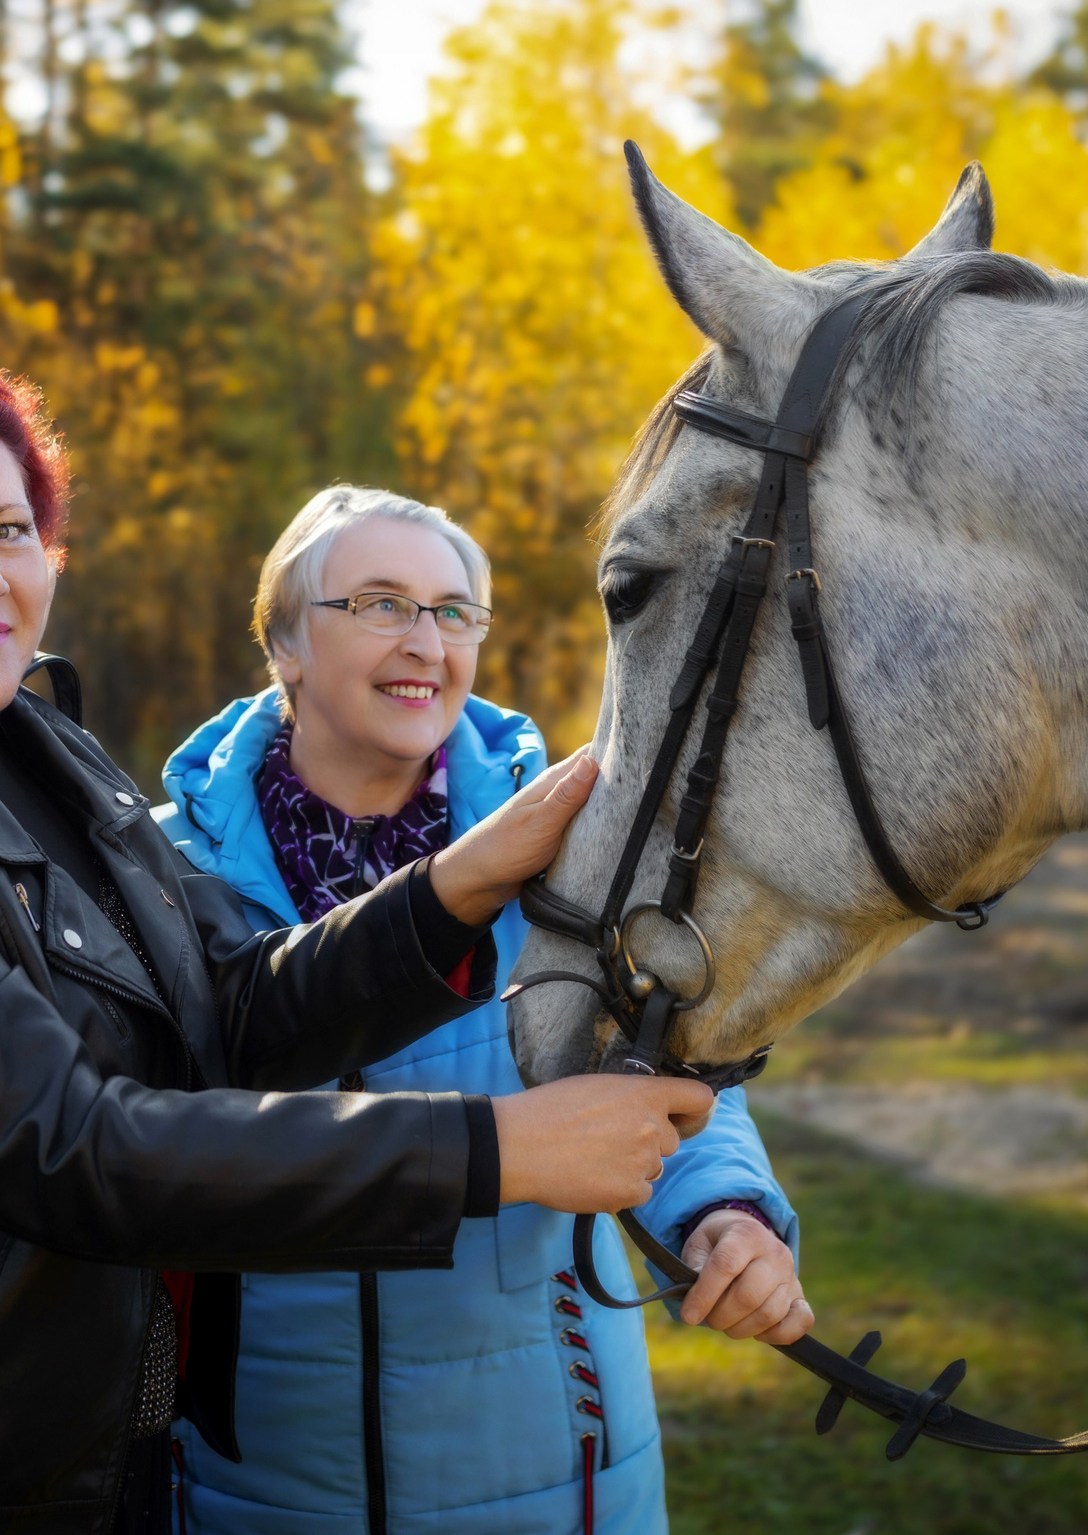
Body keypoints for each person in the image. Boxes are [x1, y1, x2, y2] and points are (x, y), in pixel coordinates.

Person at [0, 306, 718, 1535]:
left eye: (9, 528)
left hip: (62, 1486)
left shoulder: (37, 748)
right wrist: (499, 1151)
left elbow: (227, 1008)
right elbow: (71, 1150)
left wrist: (461, 881)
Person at [159, 486, 808, 1535]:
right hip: (259, 1477)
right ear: (283, 640)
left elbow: (674, 1078)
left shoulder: (576, 852)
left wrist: (725, 1213)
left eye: (453, 610)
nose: (426, 641)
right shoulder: (160, 869)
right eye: (379, 602)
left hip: (552, 1462)